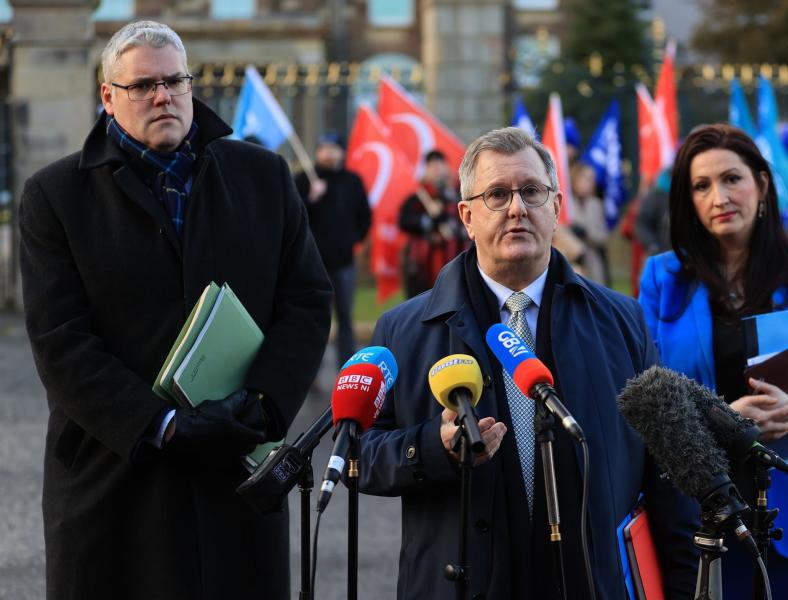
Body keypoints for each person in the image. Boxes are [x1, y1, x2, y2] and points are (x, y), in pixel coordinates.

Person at [18, 21, 331, 599]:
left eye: (175, 81)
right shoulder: (54, 196)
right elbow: (60, 341)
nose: (163, 96)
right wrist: (161, 425)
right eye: (143, 86)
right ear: (108, 98)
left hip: (235, 465)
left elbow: (307, 298)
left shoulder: (262, 176)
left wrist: (261, 405)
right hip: (116, 477)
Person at [360, 127, 699, 599]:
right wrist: (433, 449)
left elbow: (666, 478)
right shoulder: (404, 330)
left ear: (557, 206)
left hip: (588, 581)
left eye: (532, 192)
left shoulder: (623, 322)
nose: (517, 208)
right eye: (497, 194)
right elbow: (358, 455)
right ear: (467, 216)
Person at [640, 124, 788, 600]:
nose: (719, 196)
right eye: (701, 186)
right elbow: (647, 402)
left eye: (732, 179)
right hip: (701, 507)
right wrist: (727, 419)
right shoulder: (662, 278)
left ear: (762, 185)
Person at [295, 133, 371, 366]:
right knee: (315, 317)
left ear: (342, 151)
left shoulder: (352, 180)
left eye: (333, 148)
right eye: (323, 148)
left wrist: (353, 239)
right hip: (313, 264)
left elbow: (365, 216)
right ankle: (310, 369)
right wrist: (311, 198)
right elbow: (292, 216)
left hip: (344, 262)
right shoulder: (304, 179)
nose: (328, 153)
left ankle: (346, 367)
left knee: (345, 316)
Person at [398, 149, 469, 297]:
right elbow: (403, 221)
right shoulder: (418, 198)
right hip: (422, 265)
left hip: (454, 260)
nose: (436, 170)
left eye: (440, 164)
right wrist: (428, 221)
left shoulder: (459, 194)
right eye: (432, 166)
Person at [568, 162, 610, 284]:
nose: (590, 184)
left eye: (592, 180)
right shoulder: (568, 205)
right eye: (586, 179)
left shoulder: (596, 205)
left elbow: (603, 235)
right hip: (573, 260)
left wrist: (587, 235)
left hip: (593, 259)